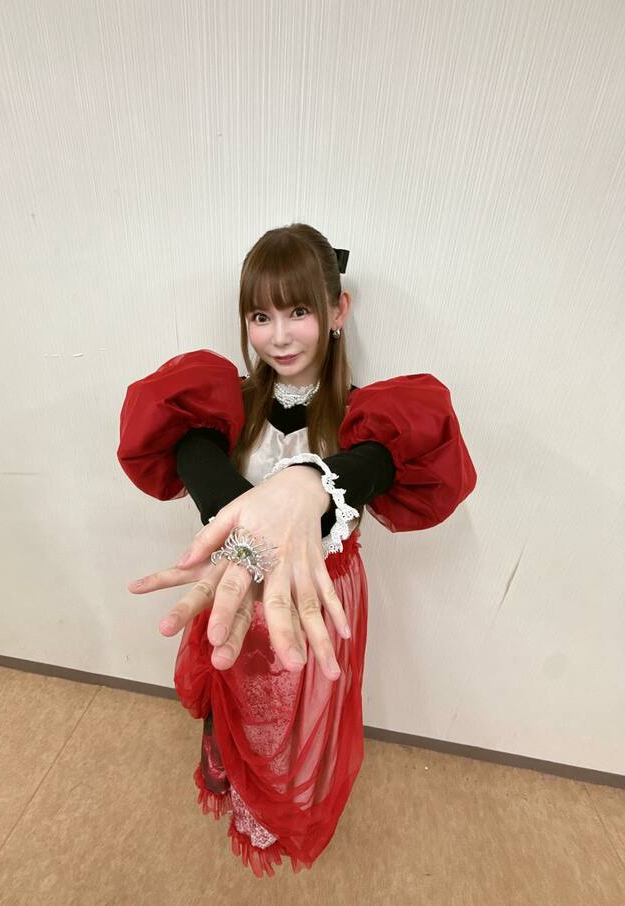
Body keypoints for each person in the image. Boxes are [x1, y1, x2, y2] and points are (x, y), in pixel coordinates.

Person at [116, 223, 477, 877]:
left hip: (320, 596)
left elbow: (391, 457)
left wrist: (314, 481)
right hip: (238, 589)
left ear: (338, 311)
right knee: (239, 700)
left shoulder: (368, 417)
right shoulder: (223, 408)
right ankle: (245, 799)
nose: (279, 336)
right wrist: (244, 525)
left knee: (300, 709)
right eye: (261, 316)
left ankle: (284, 807)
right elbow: (193, 450)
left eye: (299, 312)